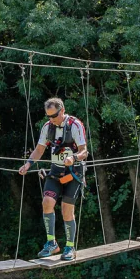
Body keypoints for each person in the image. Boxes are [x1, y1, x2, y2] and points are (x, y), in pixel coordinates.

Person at [18, 97, 88, 261]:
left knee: (66, 209)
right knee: (47, 202)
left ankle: (69, 247)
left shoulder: (75, 125)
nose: (51, 119)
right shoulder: (47, 127)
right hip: (55, 172)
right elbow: (39, 150)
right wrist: (28, 164)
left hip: (73, 173)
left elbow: (84, 151)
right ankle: (52, 243)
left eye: (54, 115)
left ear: (62, 110)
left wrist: (74, 158)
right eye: (48, 116)